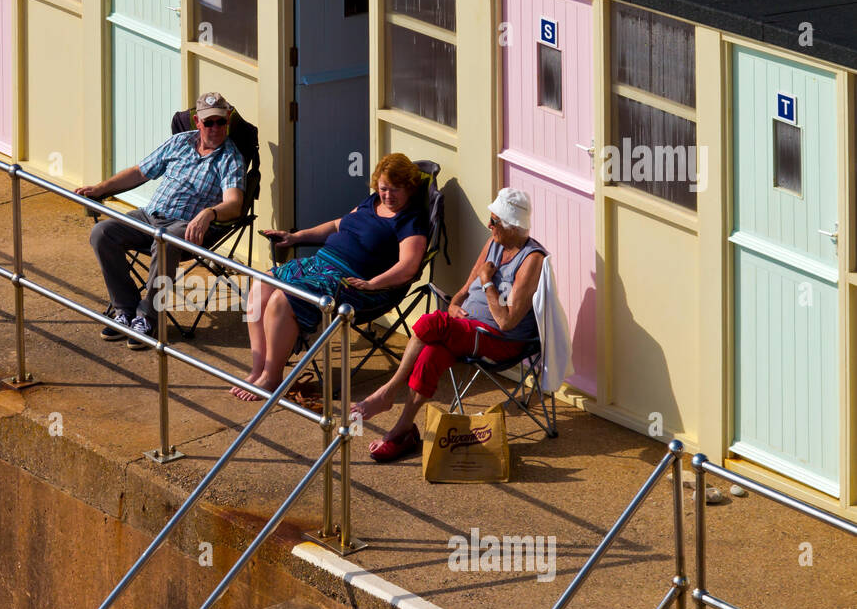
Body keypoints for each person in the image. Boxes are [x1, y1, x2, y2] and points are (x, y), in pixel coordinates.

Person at [351, 187, 545, 462]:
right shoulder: (495, 242)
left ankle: (389, 391)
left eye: (495, 222)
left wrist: (488, 282)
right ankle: (403, 429)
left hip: (501, 341)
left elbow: (506, 322)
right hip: (467, 329)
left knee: (432, 323)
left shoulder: (531, 260)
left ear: (512, 226)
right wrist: (454, 304)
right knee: (432, 353)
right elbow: (465, 288)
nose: (489, 226)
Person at [230, 153, 429, 401]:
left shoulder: (411, 221)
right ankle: (258, 368)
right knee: (261, 283)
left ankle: (272, 377)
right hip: (321, 264)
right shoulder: (372, 202)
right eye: (383, 188)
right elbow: (337, 225)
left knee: (283, 299)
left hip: (352, 284)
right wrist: (296, 237)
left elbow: (408, 266)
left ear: (410, 188)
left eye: (395, 190)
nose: (387, 196)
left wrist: (373, 283)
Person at [78, 92, 245, 349]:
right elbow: (139, 172)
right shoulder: (179, 142)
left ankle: (148, 318)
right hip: (148, 216)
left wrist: (210, 212)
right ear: (197, 122)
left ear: (228, 121)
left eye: (220, 122)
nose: (215, 129)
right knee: (102, 233)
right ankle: (126, 309)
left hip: (184, 227)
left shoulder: (230, 158)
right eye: (208, 122)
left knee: (165, 242)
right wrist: (100, 188)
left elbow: (234, 204)